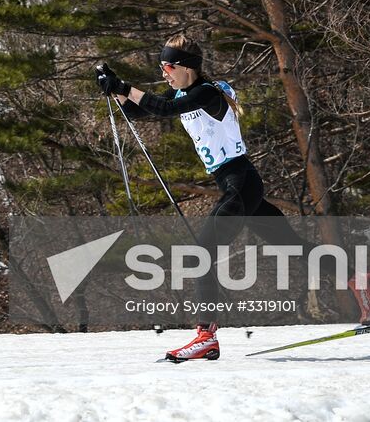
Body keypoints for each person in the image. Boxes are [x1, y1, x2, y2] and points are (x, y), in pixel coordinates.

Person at [97, 35, 302, 363]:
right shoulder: (182, 93)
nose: (163, 73)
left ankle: (206, 337)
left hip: (241, 183)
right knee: (290, 245)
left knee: (200, 255)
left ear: (186, 67)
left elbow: (165, 109)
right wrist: (115, 89)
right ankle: (356, 277)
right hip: (238, 185)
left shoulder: (207, 93)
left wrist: (124, 86)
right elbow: (139, 112)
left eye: (167, 67)